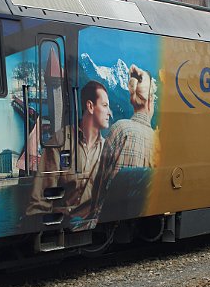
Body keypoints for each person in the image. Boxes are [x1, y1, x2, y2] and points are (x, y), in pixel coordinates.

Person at [26, 80, 112, 225]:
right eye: (104, 105)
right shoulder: (61, 140)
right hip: (61, 226)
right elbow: (40, 201)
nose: (109, 112)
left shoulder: (106, 149)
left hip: (91, 225)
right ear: (90, 106)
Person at [89, 64, 156, 222]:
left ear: (132, 99)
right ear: (150, 101)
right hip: (144, 218)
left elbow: (99, 184)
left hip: (110, 217)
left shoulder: (120, 129)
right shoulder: (157, 141)